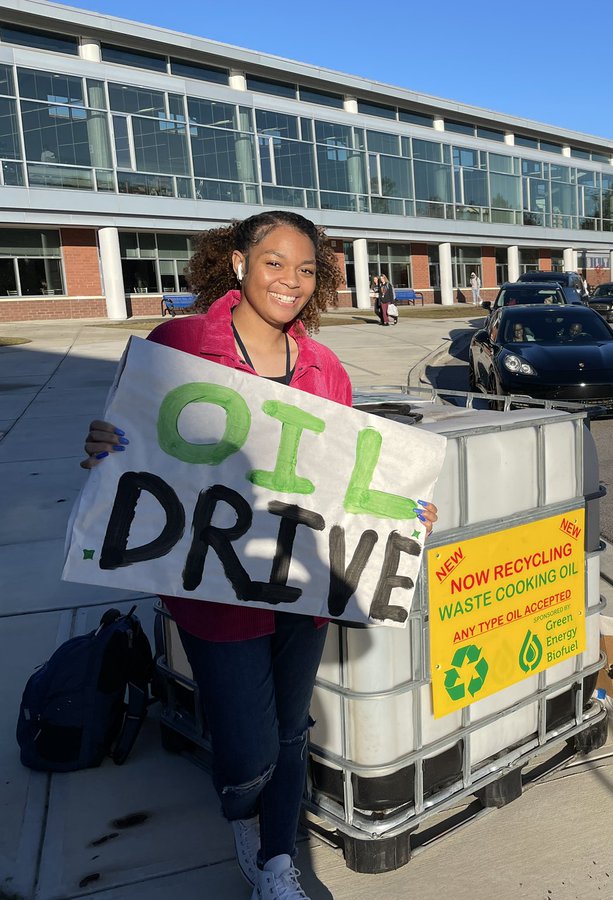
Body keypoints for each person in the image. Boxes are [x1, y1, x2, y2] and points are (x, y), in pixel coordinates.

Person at [80, 210, 438, 900]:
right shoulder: (180, 342)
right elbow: (134, 448)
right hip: (214, 587)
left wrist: (401, 507)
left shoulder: (325, 367)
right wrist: (103, 448)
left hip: (299, 583)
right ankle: (243, 811)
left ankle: (277, 860)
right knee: (249, 749)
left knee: (291, 729)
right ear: (240, 264)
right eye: (274, 262)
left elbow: (342, 476)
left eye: (307, 270)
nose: (291, 281)